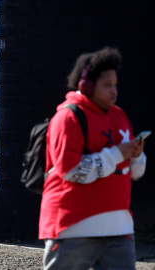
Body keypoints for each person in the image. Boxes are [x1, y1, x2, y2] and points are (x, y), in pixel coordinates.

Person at [40, 47, 146, 269]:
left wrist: (136, 156)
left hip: (119, 228)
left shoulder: (120, 115)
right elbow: (70, 170)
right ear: (86, 85)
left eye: (115, 85)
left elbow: (135, 173)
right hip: (74, 227)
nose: (114, 91)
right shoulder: (68, 118)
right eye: (107, 85)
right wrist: (118, 154)